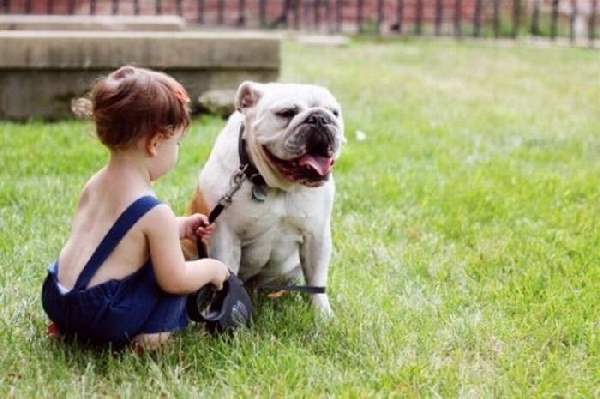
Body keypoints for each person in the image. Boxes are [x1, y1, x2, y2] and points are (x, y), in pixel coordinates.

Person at [41, 65, 229, 350]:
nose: (177, 150)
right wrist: (214, 269)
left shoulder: (95, 183)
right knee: (170, 273)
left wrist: (179, 227)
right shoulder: (155, 212)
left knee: (158, 258)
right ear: (155, 143)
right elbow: (175, 280)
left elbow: (116, 238)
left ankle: (67, 329)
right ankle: (149, 340)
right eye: (177, 143)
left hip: (58, 297)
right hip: (103, 316)